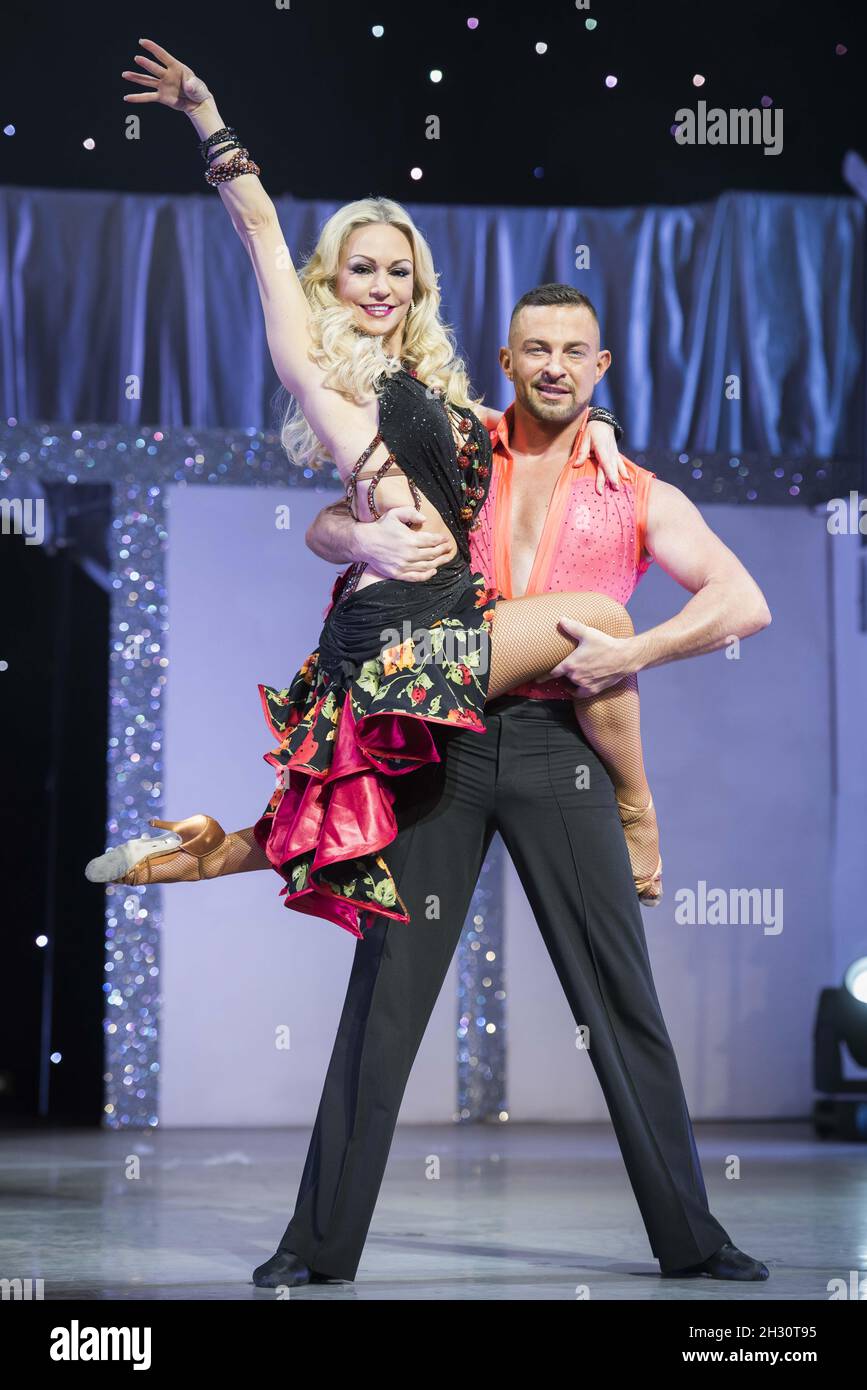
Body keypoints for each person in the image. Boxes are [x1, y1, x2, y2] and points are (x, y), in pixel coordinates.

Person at [255, 283, 774, 1289]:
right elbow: (327, 519)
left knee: (621, 997)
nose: (555, 365)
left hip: (558, 743)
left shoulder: (638, 489)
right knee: (385, 996)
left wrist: (636, 652)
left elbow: (741, 599)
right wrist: (361, 540)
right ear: (506, 359)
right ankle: (315, 1247)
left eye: (575, 350)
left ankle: (693, 1239)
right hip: (438, 743)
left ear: (601, 367)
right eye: (536, 347)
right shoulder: (458, 451)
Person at [87, 38, 663, 924]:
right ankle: (637, 810)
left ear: (419, 286)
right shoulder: (319, 364)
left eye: (399, 271)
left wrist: (601, 421)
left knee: (376, 802)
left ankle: (199, 854)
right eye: (362, 267)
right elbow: (260, 231)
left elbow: (527, 426)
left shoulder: (435, 388)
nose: (382, 286)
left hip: (431, 617)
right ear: (331, 278)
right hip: (404, 624)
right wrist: (206, 114)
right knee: (603, 620)